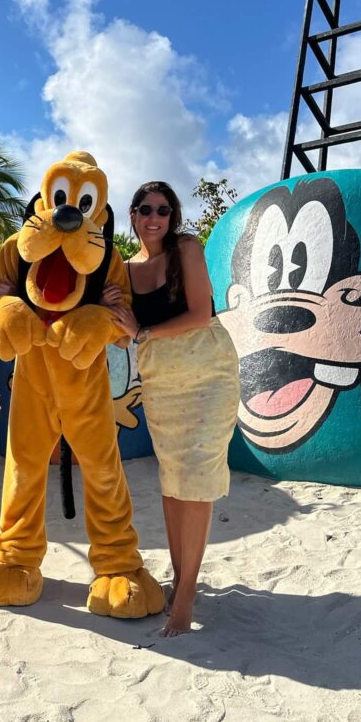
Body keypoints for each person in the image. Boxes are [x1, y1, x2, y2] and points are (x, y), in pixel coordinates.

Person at [103, 181, 239, 636]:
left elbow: (200, 314)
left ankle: (185, 596)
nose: (154, 216)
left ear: (172, 214)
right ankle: (182, 578)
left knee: (196, 479)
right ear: (134, 215)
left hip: (208, 371)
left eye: (163, 208)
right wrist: (111, 317)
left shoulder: (186, 248)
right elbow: (124, 335)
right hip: (160, 377)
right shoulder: (124, 268)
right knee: (173, 479)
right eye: (145, 209)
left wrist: (141, 331)